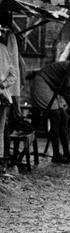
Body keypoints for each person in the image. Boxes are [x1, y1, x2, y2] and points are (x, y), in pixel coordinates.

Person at [0, 28, 17, 175]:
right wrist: (3, 84)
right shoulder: (4, 49)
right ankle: (2, 163)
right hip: (4, 95)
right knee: (1, 130)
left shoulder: (4, 49)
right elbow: (13, 75)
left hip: (2, 96)